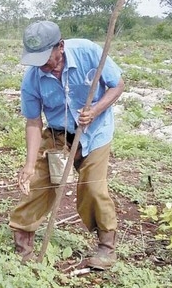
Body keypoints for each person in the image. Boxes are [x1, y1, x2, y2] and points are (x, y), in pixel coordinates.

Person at [9, 20, 124, 270]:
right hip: (59, 134)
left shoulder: (88, 52)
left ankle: (106, 247)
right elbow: (33, 122)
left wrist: (94, 110)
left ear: (60, 46)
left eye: (45, 57)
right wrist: (28, 165)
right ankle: (22, 245)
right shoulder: (32, 79)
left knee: (93, 188)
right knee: (39, 183)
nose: (41, 64)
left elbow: (117, 85)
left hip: (94, 132)